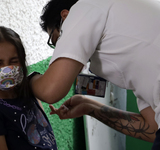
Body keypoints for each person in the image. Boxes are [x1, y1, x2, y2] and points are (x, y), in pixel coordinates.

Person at [30, 0, 160, 149]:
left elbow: (50, 90)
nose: (59, 49)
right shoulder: (133, 37)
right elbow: (153, 128)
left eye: (56, 41)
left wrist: (24, 79)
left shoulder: (84, 7)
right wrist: (89, 107)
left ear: (66, 18)